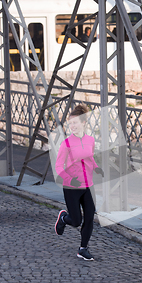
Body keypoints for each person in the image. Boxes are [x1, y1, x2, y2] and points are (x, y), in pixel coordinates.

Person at [54, 104, 104, 261]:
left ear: (83, 123)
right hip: (72, 187)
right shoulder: (66, 144)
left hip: (88, 185)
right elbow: (57, 166)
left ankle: (83, 249)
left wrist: (96, 169)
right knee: (76, 221)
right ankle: (63, 218)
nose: (72, 126)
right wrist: (70, 180)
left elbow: (89, 158)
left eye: (75, 122)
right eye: (70, 123)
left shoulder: (90, 140)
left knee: (89, 218)